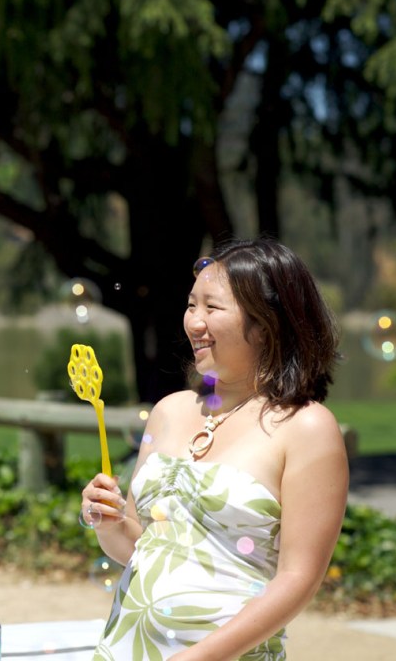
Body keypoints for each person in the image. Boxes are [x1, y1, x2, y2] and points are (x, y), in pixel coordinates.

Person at [81, 238, 348, 660]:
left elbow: (298, 579)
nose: (193, 322)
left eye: (212, 307)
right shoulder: (169, 410)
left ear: (266, 323)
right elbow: (140, 548)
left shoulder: (307, 427)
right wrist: (108, 522)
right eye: (191, 305)